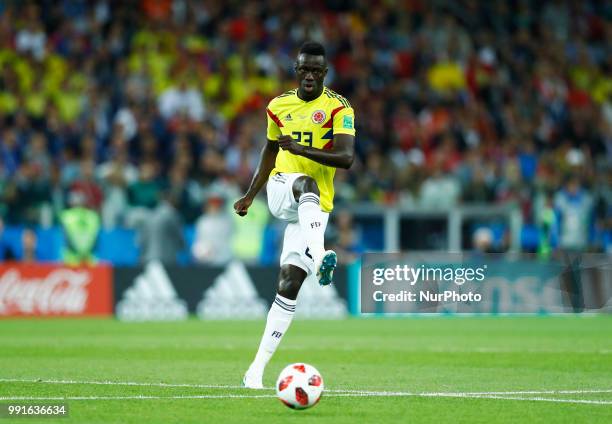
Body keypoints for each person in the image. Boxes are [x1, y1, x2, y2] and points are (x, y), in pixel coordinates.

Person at [234, 41, 356, 388]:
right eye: (304, 68)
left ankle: (254, 370)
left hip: (315, 210)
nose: (310, 75)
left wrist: (304, 148)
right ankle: (321, 258)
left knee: (288, 285)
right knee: (305, 183)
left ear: (325, 73)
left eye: (317, 70)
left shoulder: (339, 108)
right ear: (296, 70)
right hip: (281, 187)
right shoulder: (278, 106)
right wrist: (249, 194)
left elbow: (346, 157)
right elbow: (270, 149)